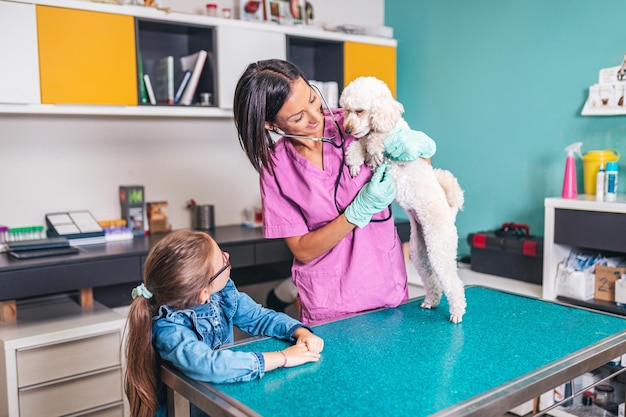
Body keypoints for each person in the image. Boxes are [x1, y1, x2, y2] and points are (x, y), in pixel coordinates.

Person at [233, 59, 436, 325]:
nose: (316, 117)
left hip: (385, 290)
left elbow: (420, 166)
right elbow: (303, 250)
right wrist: (356, 212)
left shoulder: (356, 123)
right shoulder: (277, 168)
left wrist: (419, 151)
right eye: (298, 117)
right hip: (329, 303)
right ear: (271, 125)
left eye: (312, 99)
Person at [124, 229, 324, 417]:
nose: (227, 255)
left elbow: (261, 317)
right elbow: (209, 365)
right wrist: (282, 357)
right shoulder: (169, 329)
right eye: (222, 260)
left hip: (220, 400)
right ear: (203, 293)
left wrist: (299, 331)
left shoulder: (223, 296)